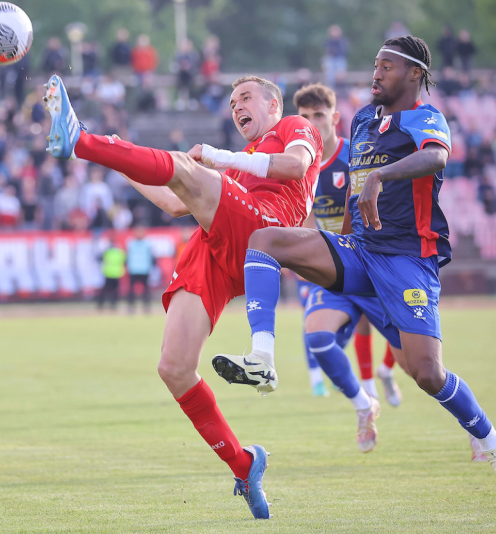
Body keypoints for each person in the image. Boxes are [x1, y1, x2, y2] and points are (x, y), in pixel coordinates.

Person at [219, 36, 496, 500]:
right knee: (266, 241)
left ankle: (493, 443)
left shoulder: (424, 116)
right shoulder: (364, 118)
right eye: (375, 65)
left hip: (407, 260)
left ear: (415, 74)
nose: (376, 73)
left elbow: (437, 156)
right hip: (359, 250)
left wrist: (383, 174)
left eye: (386, 67)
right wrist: (338, 240)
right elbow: (353, 192)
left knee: (427, 373)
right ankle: (263, 359)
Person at [43, 72, 323, 519]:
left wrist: (214, 159)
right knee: (173, 368)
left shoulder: (295, 127)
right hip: (216, 248)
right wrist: (121, 159)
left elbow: (294, 167)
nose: (237, 107)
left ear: (274, 105)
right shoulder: (242, 162)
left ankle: (81, 140)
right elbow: (175, 202)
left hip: (263, 229)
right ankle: (243, 464)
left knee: (186, 168)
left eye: (245, 98)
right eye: (232, 103)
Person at [290, 83, 402, 413]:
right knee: (322, 332)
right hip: (333, 258)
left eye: (319, 115)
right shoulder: (298, 166)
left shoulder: (355, 156)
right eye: (304, 117)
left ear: (335, 118)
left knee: (409, 337)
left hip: (371, 253)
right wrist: (309, 255)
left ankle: (387, 371)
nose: (312, 123)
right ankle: (365, 388)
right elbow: (306, 216)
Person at [126, 225, 154, 313]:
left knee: (146, 290)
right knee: (131, 290)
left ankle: (146, 307)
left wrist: (150, 267)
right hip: (133, 269)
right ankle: (131, 307)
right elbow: (128, 256)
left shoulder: (147, 244)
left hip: (144, 269)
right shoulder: (131, 243)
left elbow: (151, 257)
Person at [97, 237, 126, 310]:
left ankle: (100, 305)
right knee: (115, 291)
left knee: (105, 291)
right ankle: (113, 305)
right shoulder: (120, 252)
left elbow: (100, 259)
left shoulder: (107, 252)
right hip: (116, 273)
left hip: (108, 273)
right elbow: (124, 261)